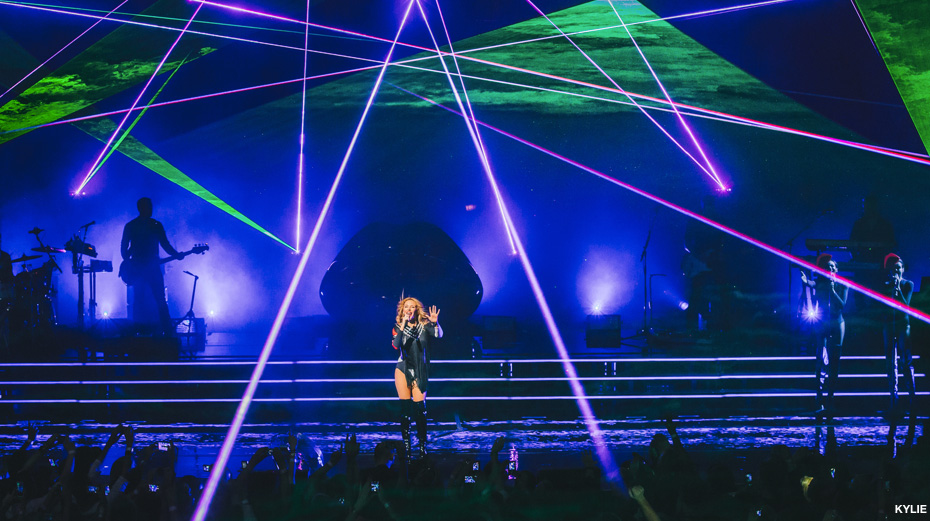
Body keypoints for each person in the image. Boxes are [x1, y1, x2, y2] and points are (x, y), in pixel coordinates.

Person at [120, 197, 180, 337]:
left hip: (139, 267)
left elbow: (123, 249)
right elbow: (165, 244)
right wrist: (176, 254)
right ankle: (167, 331)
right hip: (152, 267)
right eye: (149, 206)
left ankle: (137, 330)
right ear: (143, 208)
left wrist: (129, 261)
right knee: (159, 299)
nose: (151, 209)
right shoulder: (155, 225)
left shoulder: (131, 225)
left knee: (139, 299)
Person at [392, 297, 441, 460]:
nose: (409, 309)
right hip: (403, 369)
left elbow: (438, 335)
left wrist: (435, 323)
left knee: (420, 410)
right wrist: (403, 324)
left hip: (420, 370)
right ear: (402, 310)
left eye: (412, 307)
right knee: (405, 410)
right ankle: (406, 447)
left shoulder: (424, 325)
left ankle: (422, 447)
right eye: (406, 307)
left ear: (416, 309)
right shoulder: (397, 327)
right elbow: (396, 345)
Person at [800, 254, 848, 414]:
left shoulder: (843, 284)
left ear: (837, 269)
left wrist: (832, 291)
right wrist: (806, 282)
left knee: (835, 360)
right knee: (821, 358)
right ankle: (819, 398)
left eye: (833, 266)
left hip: (837, 323)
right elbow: (812, 283)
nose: (830, 269)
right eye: (827, 267)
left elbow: (842, 305)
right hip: (822, 323)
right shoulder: (820, 282)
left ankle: (830, 399)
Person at [880, 254, 915, 414]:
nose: (896, 271)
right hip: (889, 325)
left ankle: (912, 400)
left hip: (903, 325)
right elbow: (883, 307)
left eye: (899, 268)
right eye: (894, 268)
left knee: (905, 360)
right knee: (890, 362)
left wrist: (898, 289)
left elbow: (906, 306)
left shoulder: (908, 284)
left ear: (903, 269)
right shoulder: (885, 286)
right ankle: (894, 401)